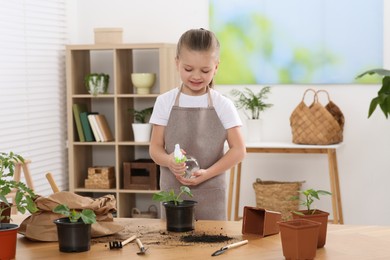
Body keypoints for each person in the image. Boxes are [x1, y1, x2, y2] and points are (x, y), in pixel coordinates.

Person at [149, 28, 246, 220]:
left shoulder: (222, 104)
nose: (196, 76)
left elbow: (239, 150)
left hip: (211, 193)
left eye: (205, 70)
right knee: (173, 247)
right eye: (188, 69)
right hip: (173, 195)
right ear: (177, 63)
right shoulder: (164, 102)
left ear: (216, 67)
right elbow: (155, 148)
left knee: (211, 246)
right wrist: (169, 161)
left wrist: (208, 173)